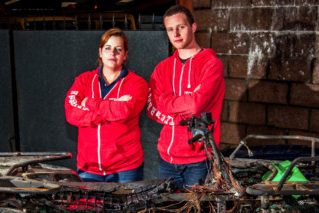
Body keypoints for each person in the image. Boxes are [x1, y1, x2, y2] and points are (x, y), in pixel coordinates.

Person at [147, 5, 225, 190]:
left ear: (193, 27)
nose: (176, 33)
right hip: (167, 159)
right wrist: (181, 113)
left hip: (199, 161)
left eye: (181, 27)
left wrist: (167, 101)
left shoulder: (211, 64)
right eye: (170, 29)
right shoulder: (162, 68)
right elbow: (152, 108)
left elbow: (196, 104)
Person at [65, 28, 148, 183]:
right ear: (100, 52)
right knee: (87, 208)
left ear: (125, 55)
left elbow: (124, 112)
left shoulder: (137, 84)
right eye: (108, 48)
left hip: (125, 169)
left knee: (127, 208)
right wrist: (111, 108)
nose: (113, 53)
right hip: (88, 169)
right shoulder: (83, 80)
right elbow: (71, 113)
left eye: (118, 49)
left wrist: (88, 103)